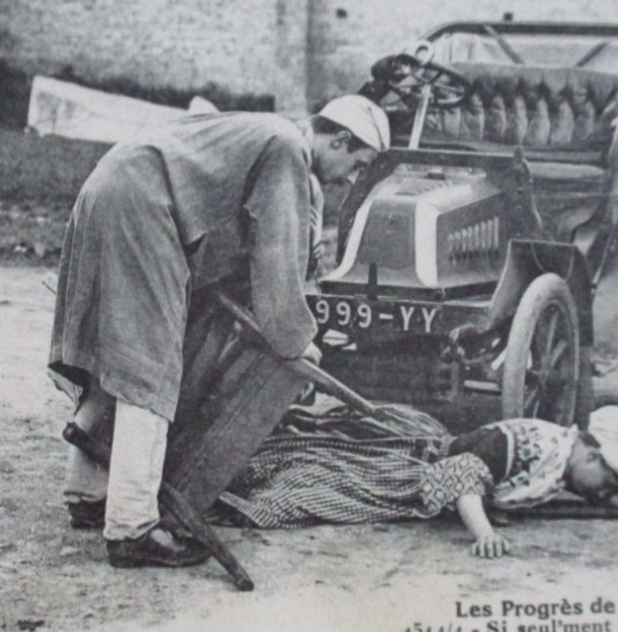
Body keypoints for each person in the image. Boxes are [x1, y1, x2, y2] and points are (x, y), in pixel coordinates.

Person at [49, 95, 391, 568]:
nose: (350, 178)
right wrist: (296, 340)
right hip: (141, 206)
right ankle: (131, 528)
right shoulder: (287, 147)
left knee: (123, 353)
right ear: (339, 139)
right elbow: (277, 252)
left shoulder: (266, 131)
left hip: (114, 187)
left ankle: (87, 494)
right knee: (152, 367)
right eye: (357, 164)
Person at [220, 402, 618, 554]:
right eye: (608, 476)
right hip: (413, 467)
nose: (604, 491)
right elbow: (463, 475)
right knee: (307, 485)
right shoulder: (530, 444)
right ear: (590, 450)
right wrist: (483, 531)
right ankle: (224, 488)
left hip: (444, 475)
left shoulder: (568, 467)